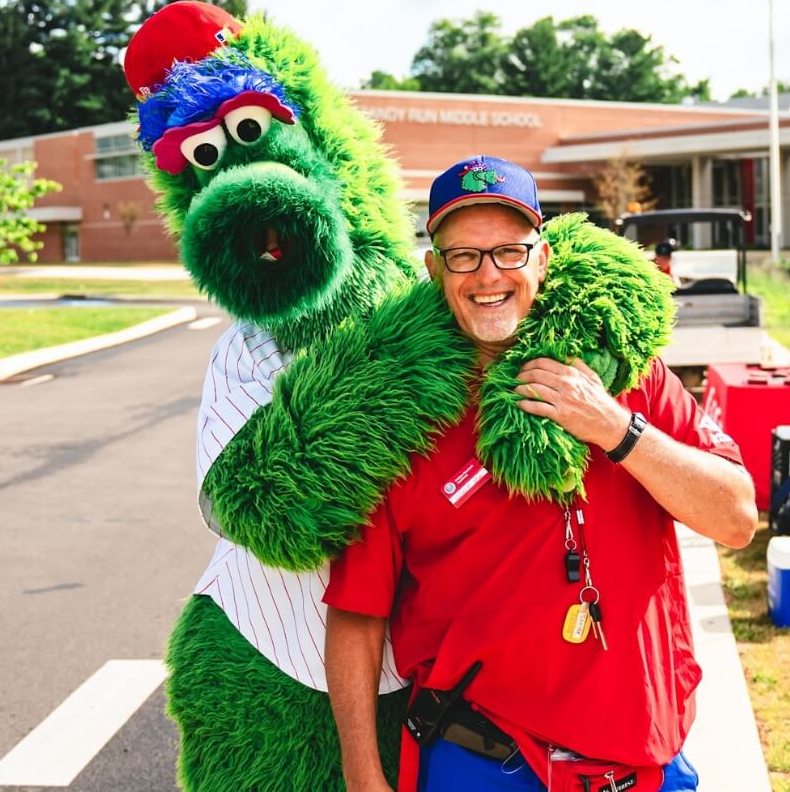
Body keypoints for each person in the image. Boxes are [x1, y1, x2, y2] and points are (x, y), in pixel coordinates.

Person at [323, 156, 758, 792]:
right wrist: (363, 772)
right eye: (464, 257)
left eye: (509, 251)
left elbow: (737, 517)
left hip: (641, 758)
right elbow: (356, 613)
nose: (488, 276)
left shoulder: (628, 372)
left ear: (542, 260)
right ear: (434, 269)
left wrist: (616, 428)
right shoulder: (401, 422)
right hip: (480, 761)